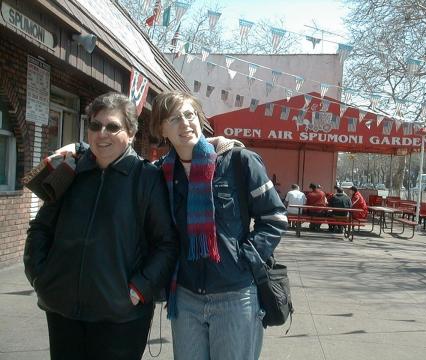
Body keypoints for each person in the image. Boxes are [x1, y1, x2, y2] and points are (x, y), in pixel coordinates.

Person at [23, 92, 178, 360]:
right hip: (62, 309)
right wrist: (39, 276)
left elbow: (166, 243)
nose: (101, 133)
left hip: (120, 316)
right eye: (95, 125)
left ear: (130, 133)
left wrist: (138, 290)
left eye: (113, 126)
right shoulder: (70, 170)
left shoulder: (146, 178)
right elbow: (41, 227)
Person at [150, 90, 288, 360]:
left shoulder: (238, 161)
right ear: (161, 128)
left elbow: (274, 217)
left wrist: (245, 257)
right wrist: (79, 149)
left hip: (236, 296)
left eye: (189, 115)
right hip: (186, 298)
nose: (185, 123)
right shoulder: (162, 173)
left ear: (200, 118)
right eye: (174, 118)